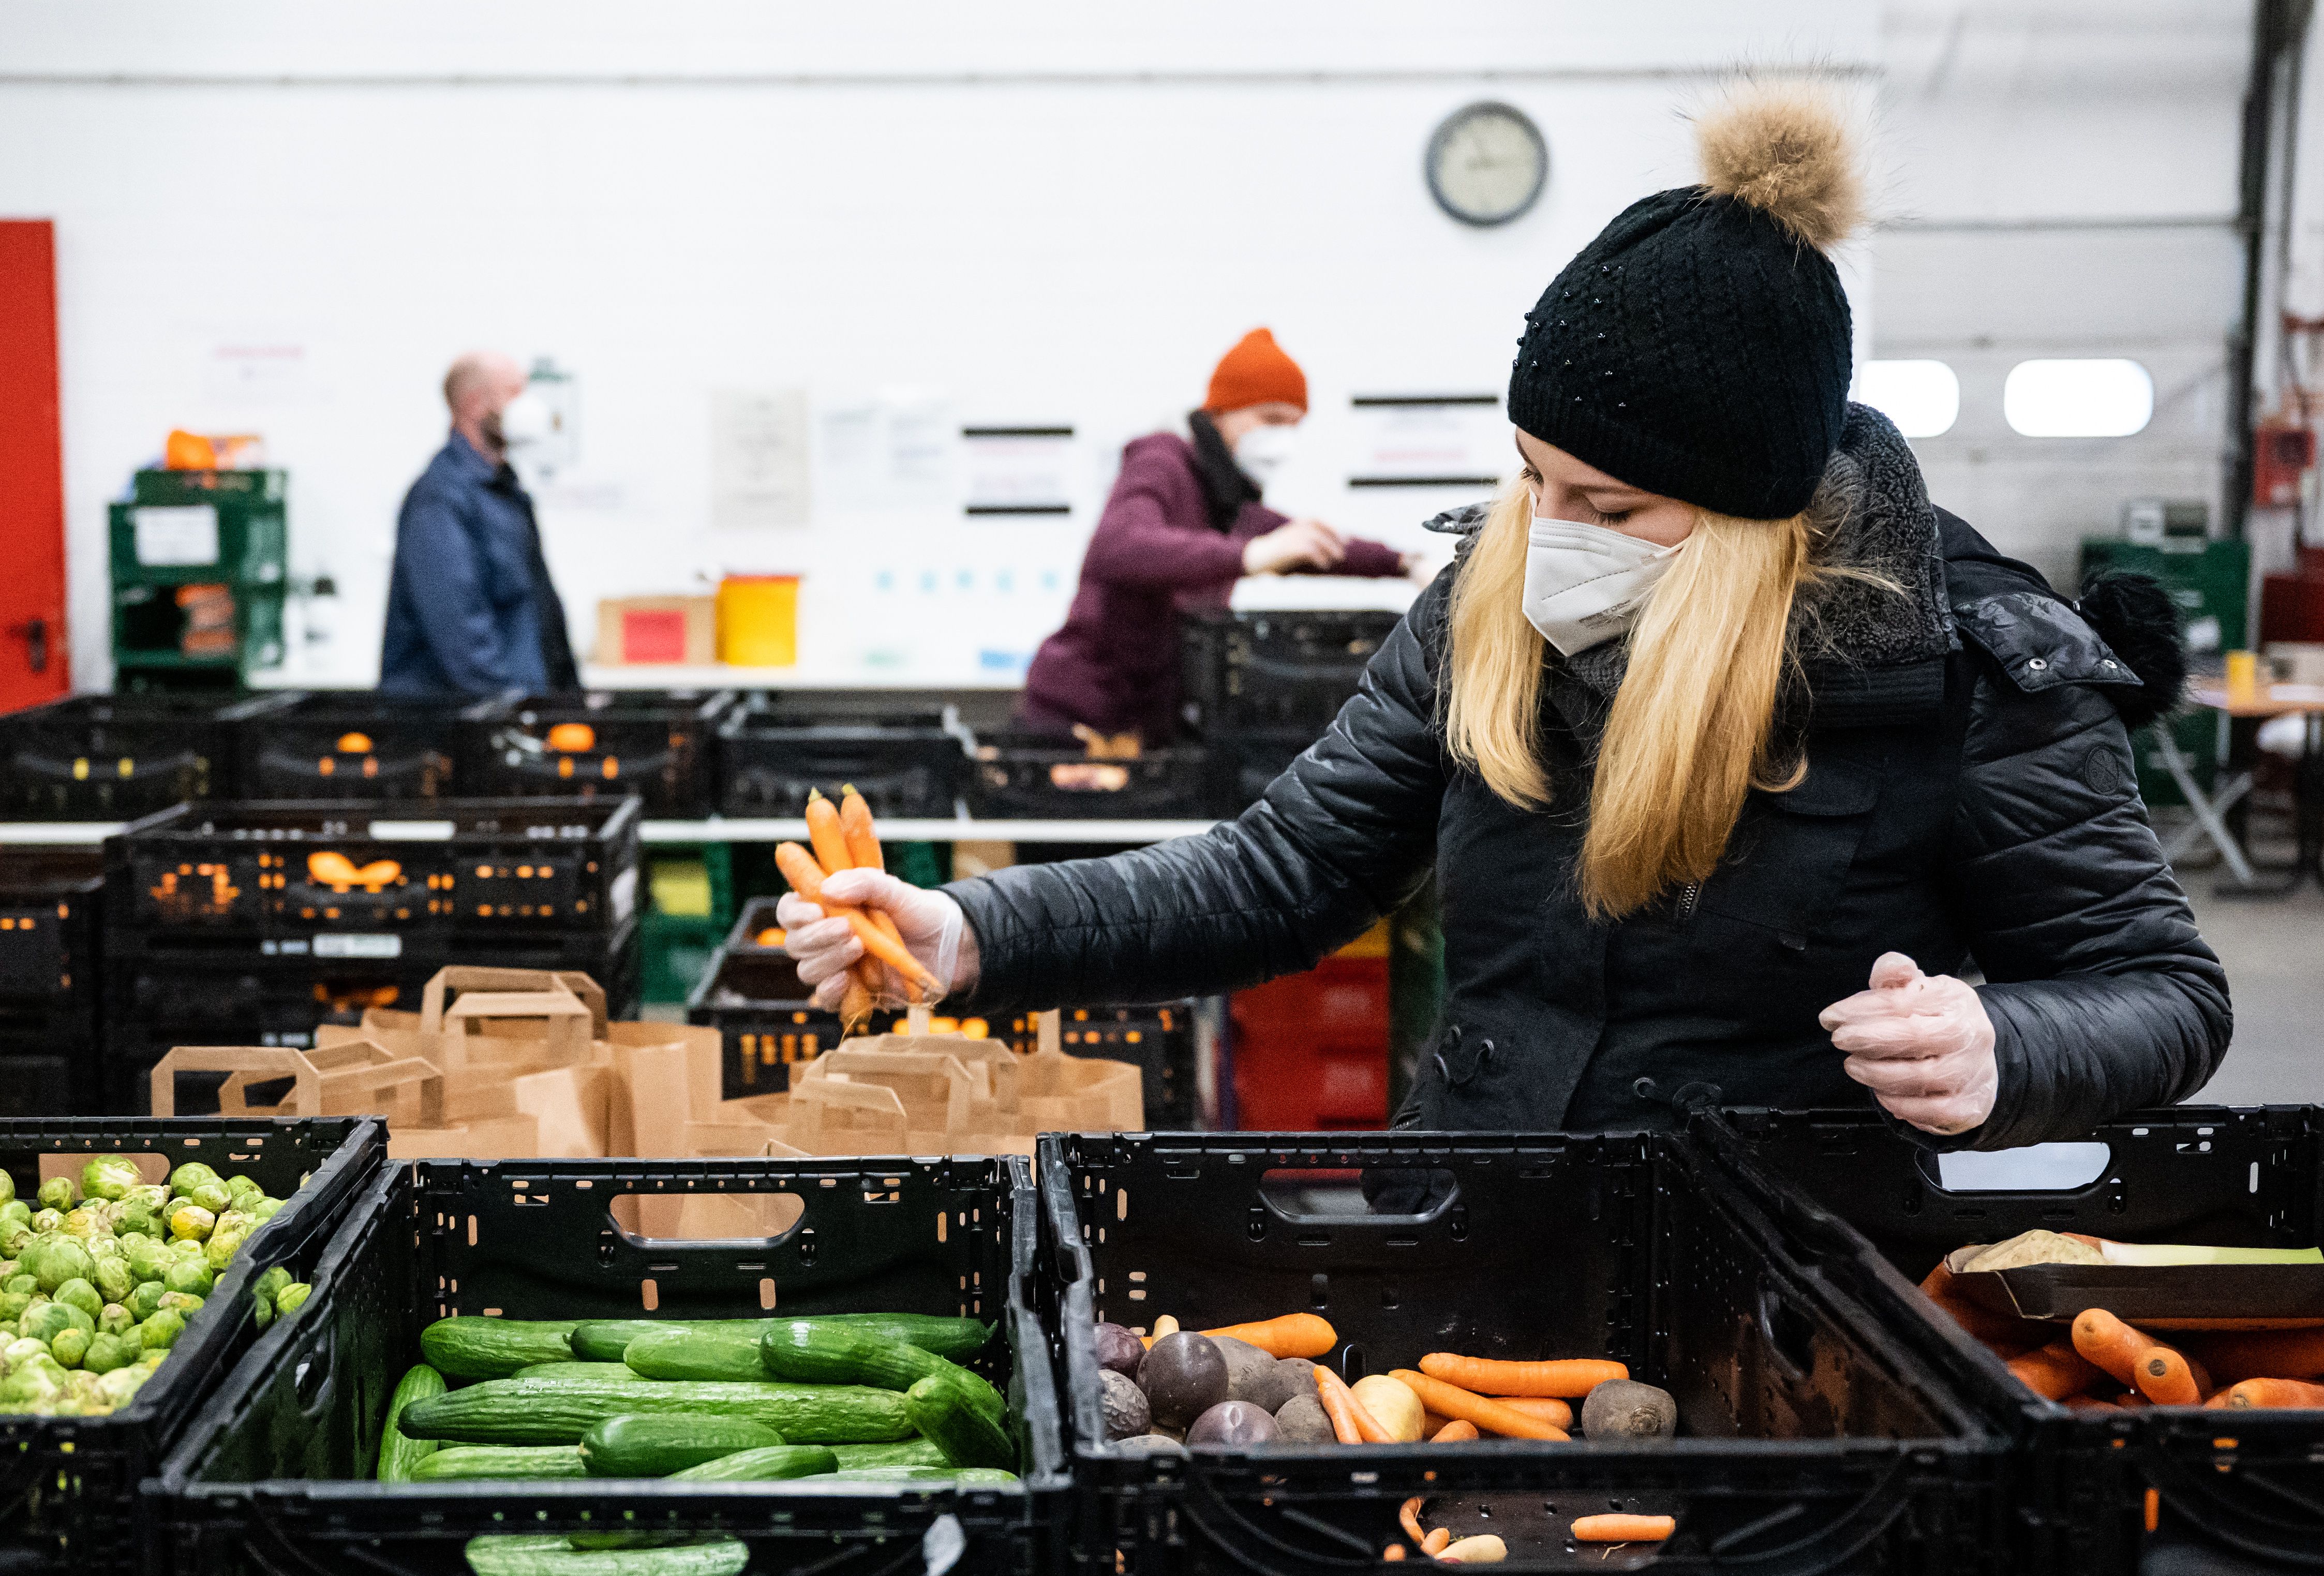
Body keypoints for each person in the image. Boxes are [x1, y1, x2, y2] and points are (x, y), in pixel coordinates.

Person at [779, 85, 2231, 1149]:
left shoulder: (1964, 664)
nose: (1548, 540)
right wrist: (969, 929)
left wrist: (2001, 1042)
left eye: (1611, 508)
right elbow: (1282, 870)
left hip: (1791, 1276)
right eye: (1533, 481)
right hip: (1478, 1198)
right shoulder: (1487, 601)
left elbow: (2161, 989)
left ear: (1750, 518)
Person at [1018, 328, 1412, 741]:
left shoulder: (1227, 500)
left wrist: (1404, 563)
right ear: (1222, 413)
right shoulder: (1161, 462)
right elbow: (1120, 546)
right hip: (1079, 722)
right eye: (1271, 420)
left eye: (1294, 426)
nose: (1282, 440)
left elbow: (1310, 543)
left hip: (1147, 724)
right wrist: (1250, 556)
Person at [380, 352, 578, 696]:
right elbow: (458, 627)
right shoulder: (441, 498)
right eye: (514, 393)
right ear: (474, 404)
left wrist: (568, 698)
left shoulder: (504, 489)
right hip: (462, 725)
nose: (528, 406)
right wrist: (507, 710)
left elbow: (537, 609)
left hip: (516, 712)